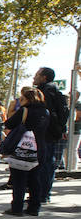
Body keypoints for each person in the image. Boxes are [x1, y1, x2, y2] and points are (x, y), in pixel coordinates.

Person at [1, 86, 50, 216]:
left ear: (27, 99)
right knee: (35, 180)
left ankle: (16, 208)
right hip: (39, 149)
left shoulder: (24, 111)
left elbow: (9, 124)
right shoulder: (46, 112)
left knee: (19, 179)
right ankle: (34, 208)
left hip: (22, 149)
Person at [33, 67, 68, 203]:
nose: (34, 77)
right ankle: (42, 194)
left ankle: (41, 195)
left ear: (44, 77)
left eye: (37, 75)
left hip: (44, 134)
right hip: (50, 134)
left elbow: (43, 114)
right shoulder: (53, 91)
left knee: (44, 164)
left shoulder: (45, 92)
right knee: (47, 163)